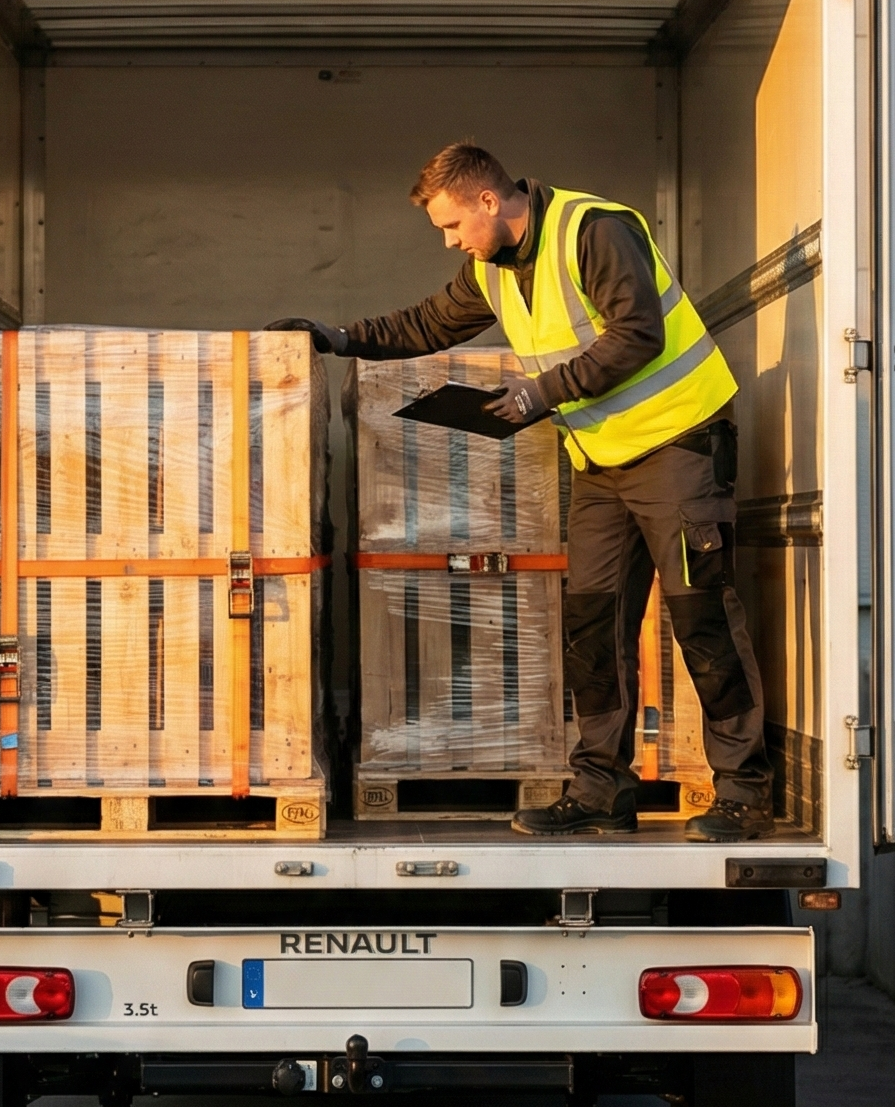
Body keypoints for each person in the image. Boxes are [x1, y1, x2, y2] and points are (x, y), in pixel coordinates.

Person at [271, 140, 773, 840]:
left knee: (702, 620)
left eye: (452, 226)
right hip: (601, 460)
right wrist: (338, 336)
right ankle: (602, 791)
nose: (452, 242)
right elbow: (425, 323)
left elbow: (639, 334)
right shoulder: (494, 268)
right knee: (593, 627)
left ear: (488, 200)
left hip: (678, 446)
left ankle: (745, 794)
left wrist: (543, 392)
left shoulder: (595, 229)